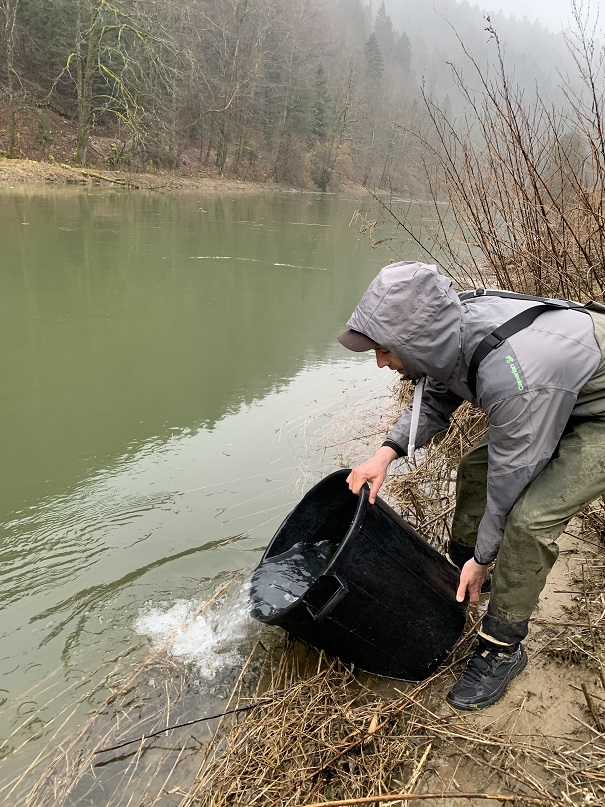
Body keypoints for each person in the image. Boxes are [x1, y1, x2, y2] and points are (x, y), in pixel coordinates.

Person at [338, 260, 605, 710]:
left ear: (414, 341)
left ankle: (502, 647)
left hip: (595, 412)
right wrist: (385, 454)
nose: (381, 362)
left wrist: (486, 555)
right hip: (561, 390)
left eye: (384, 351)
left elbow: (511, 482)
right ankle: (462, 571)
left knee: (529, 521)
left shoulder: (512, 374)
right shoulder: (451, 329)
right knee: (474, 466)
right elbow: (436, 397)